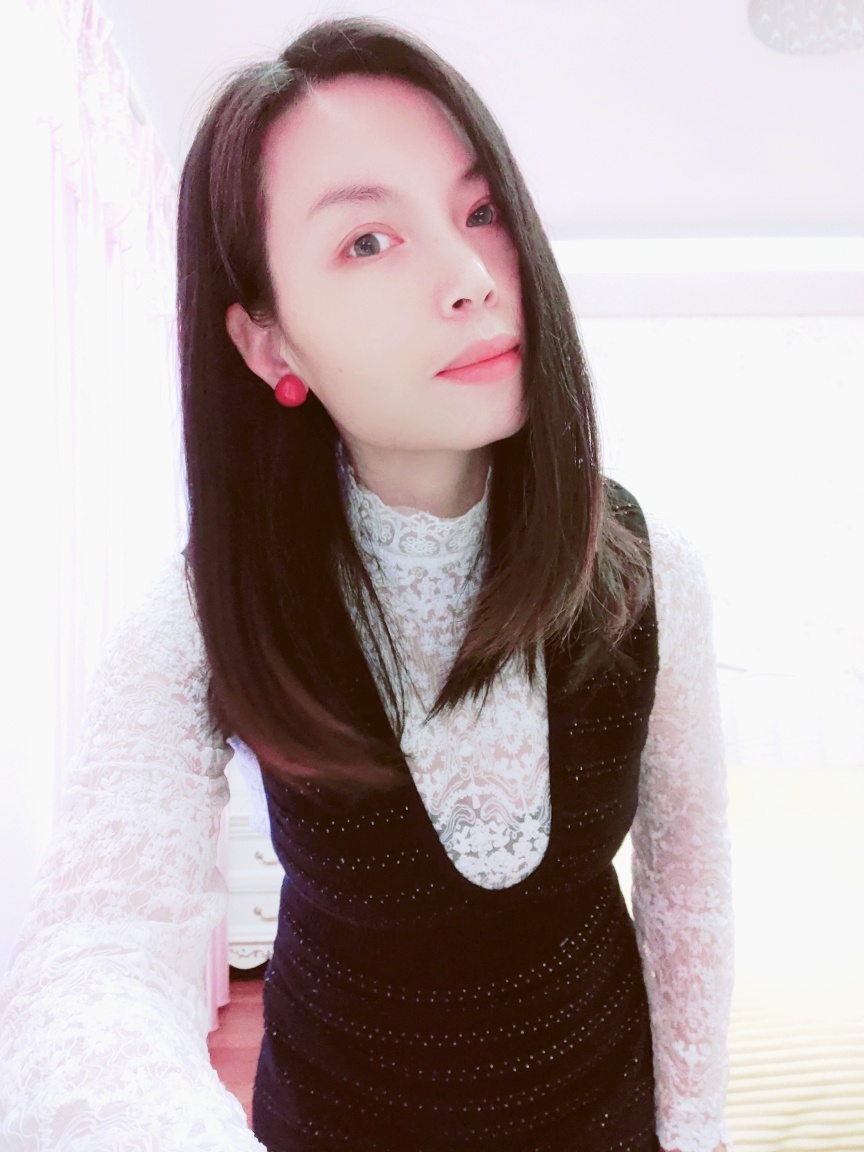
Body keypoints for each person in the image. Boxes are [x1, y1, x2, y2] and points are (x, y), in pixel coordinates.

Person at [0, 15, 734, 1152]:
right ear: (269, 346)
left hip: (605, 1114)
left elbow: (688, 892)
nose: (471, 279)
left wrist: (695, 1135)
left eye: (480, 212)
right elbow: (93, 956)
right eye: (368, 242)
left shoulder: (648, 568)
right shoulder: (207, 610)